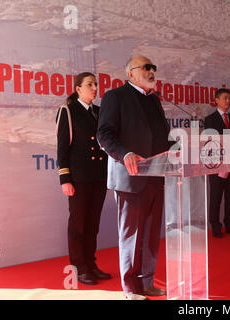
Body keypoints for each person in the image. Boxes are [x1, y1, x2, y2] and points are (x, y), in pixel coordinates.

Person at [97, 56, 170, 300]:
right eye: (146, 67)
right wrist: (125, 153)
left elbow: (160, 139)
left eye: (153, 67)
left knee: (150, 235)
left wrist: (182, 146)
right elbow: (104, 135)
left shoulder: (154, 100)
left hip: (155, 175)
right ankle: (130, 289)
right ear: (130, 73)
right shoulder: (115, 97)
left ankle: (147, 283)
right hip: (130, 176)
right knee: (131, 235)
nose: (152, 71)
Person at [56, 72, 111, 285]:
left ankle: (91, 264)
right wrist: (65, 179)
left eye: (96, 84)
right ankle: (79, 267)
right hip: (79, 178)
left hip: (98, 176)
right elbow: (62, 148)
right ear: (78, 88)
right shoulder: (68, 111)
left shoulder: (99, 112)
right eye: (90, 84)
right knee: (78, 224)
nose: (95, 88)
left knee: (93, 224)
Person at [204, 88, 230, 238]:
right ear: (216, 100)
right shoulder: (210, 119)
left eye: (229, 98)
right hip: (217, 165)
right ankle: (215, 227)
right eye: (224, 98)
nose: (227, 101)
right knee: (216, 197)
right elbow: (209, 142)